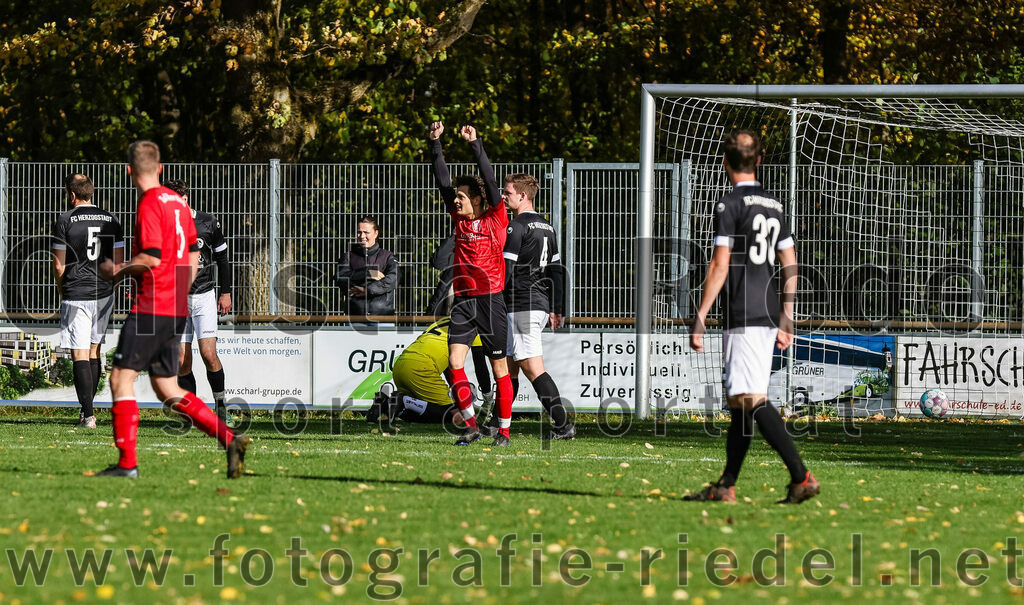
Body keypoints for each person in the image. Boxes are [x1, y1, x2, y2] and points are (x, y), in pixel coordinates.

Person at [96, 140, 249, 479]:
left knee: (121, 378)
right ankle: (230, 438)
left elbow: (150, 257)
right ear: (160, 168)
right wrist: (180, 286)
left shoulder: (150, 202)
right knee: (168, 387)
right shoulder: (180, 206)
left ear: (129, 170)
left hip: (151, 306)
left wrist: (116, 272)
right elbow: (194, 254)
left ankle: (127, 465)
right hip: (176, 305)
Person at [687, 130, 818, 504]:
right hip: (766, 310)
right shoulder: (775, 206)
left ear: (726, 162)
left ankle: (801, 476)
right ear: (758, 161)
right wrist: (787, 316)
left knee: (751, 398)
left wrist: (700, 316)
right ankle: (726, 485)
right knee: (739, 403)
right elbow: (790, 263)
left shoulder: (729, 204)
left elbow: (720, 263)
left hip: (743, 311)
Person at [427, 120, 513, 447]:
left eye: (463, 196)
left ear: (478, 200)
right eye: (456, 197)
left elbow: (490, 180)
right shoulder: (458, 220)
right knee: (454, 363)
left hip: (491, 300)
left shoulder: (495, 218)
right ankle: (472, 426)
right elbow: (442, 180)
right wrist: (436, 144)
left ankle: (503, 432)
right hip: (463, 302)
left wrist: (475, 145)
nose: (457, 200)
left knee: (499, 368)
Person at [499, 173, 574, 439]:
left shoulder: (516, 226)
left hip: (522, 304)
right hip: (537, 304)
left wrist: (493, 299)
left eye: (507, 192)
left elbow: (506, 270)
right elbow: (556, 271)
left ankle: (563, 425)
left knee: (532, 368)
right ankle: (500, 425)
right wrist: (556, 307)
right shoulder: (547, 227)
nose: (503, 196)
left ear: (522, 196)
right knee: (509, 367)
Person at [51, 174, 124, 428]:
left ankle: (88, 415)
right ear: (91, 193)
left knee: (79, 353)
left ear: (72, 195)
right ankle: (87, 413)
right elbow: (118, 265)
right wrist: (109, 289)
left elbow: (59, 265)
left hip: (76, 293)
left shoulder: (65, 219)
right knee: (94, 351)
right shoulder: (112, 220)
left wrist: (63, 290)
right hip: (103, 293)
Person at [163, 179, 232, 420]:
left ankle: (221, 408)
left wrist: (226, 292)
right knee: (182, 360)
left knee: (208, 354)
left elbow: (222, 259)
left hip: (204, 296)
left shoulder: (207, 222)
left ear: (186, 198)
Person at [426, 233, 495, 414]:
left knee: (480, 359)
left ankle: (488, 399)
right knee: (452, 361)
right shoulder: (459, 245)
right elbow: (438, 262)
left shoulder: (488, 243)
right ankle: (463, 402)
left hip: (477, 312)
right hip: (449, 317)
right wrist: (456, 235)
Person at [370, 317, 481, 427]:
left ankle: (388, 404)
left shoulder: (442, 320)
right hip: (421, 368)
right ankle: (403, 401)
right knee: (457, 417)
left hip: (400, 364)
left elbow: (449, 367)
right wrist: (487, 397)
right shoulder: (474, 326)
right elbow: (481, 367)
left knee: (421, 409)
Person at [335, 215, 399, 319]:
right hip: (354, 317)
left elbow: (393, 279)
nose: (362, 236)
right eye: (359, 232)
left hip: (383, 318)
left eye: (366, 232)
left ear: (376, 233)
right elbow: (340, 278)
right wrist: (368, 272)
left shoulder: (388, 256)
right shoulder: (347, 256)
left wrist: (368, 290)